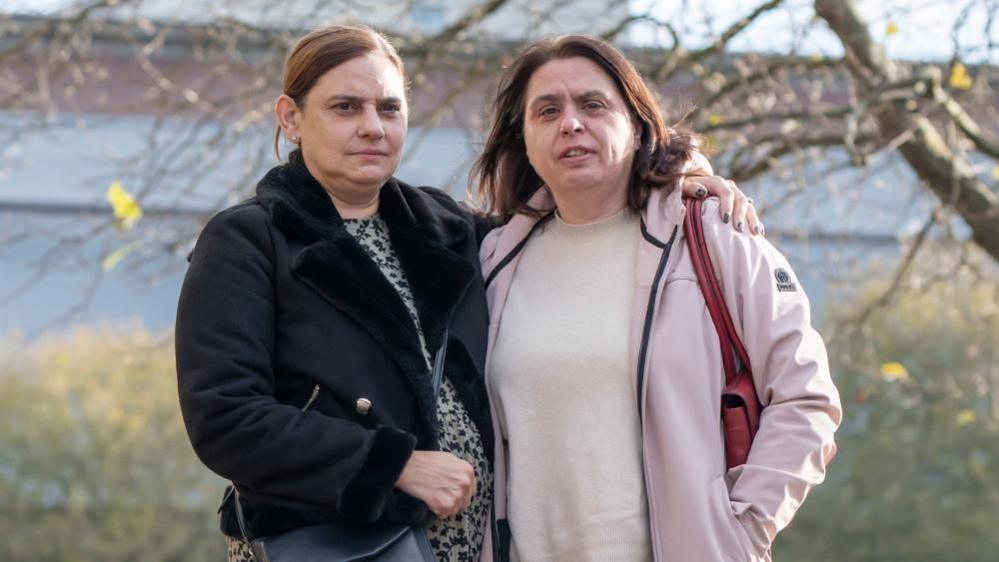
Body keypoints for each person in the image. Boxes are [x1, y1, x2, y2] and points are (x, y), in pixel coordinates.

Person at [175, 25, 754, 562]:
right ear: (291, 117)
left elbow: (570, 205)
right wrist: (393, 465)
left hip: (475, 548)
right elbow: (226, 418)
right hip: (338, 542)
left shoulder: (450, 228)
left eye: (389, 108)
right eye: (345, 107)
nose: (372, 127)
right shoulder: (249, 239)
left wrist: (678, 174)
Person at [475, 35, 842, 562]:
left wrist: (743, 528)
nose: (571, 123)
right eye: (547, 110)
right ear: (525, 138)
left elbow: (806, 397)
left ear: (638, 123)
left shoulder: (714, 233)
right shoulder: (492, 261)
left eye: (594, 105)